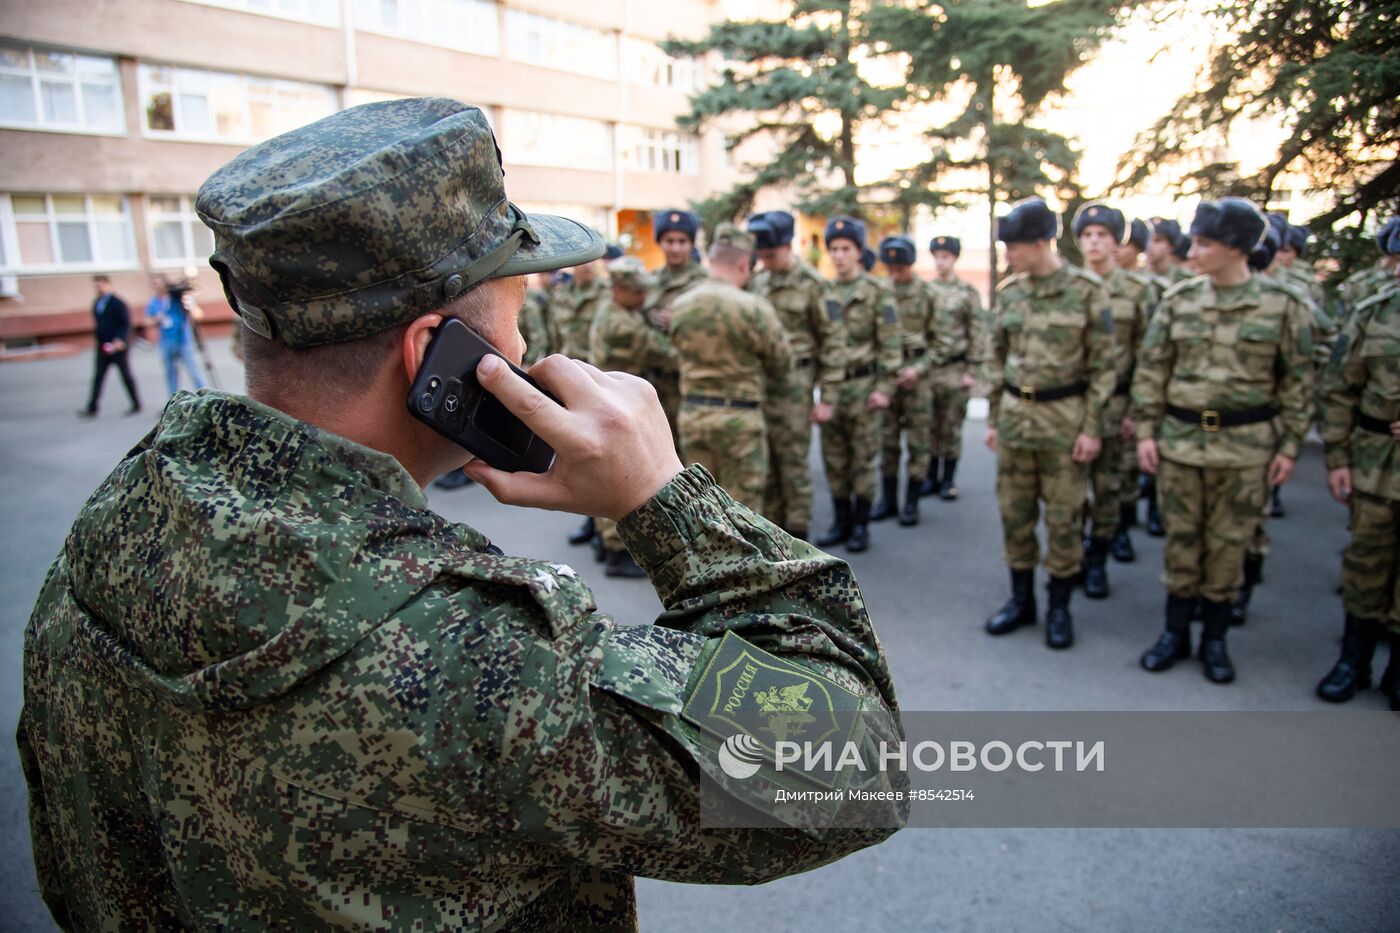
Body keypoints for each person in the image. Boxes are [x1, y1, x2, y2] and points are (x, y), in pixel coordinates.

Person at [19, 97, 904, 930]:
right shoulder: (479, 656)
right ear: (432, 358)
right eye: (517, 324)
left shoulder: (111, 534)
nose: (526, 352)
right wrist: (662, 495)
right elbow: (857, 763)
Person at [1133, 198, 1314, 683]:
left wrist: (1291, 445)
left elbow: (1297, 382)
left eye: (1206, 243)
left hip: (1245, 450)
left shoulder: (1282, 307)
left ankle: (1214, 639)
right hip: (1181, 444)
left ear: (1236, 249)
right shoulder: (1179, 301)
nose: (1194, 250)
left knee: (1229, 546)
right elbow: (1152, 372)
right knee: (1181, 543)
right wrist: (1146, 432)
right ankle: (1175, 633)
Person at [983, 198, 1114, 650]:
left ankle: (1059, 607)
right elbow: (997, 357)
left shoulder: (1087, 291)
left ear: (1041, 242)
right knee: (1015, 516)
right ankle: (1022, 602)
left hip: (1065, 425)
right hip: (1018, 422)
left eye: (1014, 246)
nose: (1009, 255)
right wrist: (995, 418)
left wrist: (1092, 429)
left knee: (1063, 519)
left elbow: (1104, 369)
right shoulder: (1011, 292)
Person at [1317, 226, 1400, 710]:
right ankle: (1354, 662)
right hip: (1374, 463)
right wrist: (1338, 459)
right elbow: (1340, 389)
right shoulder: (1375, 313)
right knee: (1366, 562)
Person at [670, 224, 793, 512]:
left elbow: (675, 354)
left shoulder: (680, 305)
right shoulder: (753, 307)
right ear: (742, 264)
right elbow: (782, 364)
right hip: (740, 419)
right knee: (743, 512)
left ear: (712, 261)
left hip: (694, 416)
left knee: (701, 510)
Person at [1071, 202, 1153, 598]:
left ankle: (1099, 557)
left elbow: (1147, 357)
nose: (1094, 242)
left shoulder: (1138, 292)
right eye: (1087, 235)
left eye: (1102, 235)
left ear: (1116, 242)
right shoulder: (1066, 287)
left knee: (1108, 486)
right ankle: (1072, 556)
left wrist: (1137, 411)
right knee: (1069, 489)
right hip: (1070, 406)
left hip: (1118, 404)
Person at [748, 210, 844, 540]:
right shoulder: (758, 281)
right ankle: (775, 536)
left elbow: (833, 341)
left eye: (771, 255)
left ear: (788, 246)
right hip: (760, 385)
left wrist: (827, 397)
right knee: (767, 466)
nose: (765, 261)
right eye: (760, 255)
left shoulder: (813, 284)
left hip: (795, 387)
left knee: (793, 465)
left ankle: (799, 537)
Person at [815, 216, 901, 553]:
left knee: (863, 460)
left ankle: (861, 525)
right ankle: (841, 521)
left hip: (865, 388)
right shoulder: (823, 291)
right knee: (834, 459)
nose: (838, 256)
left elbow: (891, 345)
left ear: (859, 251)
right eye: (833, 249)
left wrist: (885, 388)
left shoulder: (878, 292)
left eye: (845, 249)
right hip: (833, 390)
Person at [589, 256, 676, 577]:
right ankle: (616, 552)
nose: (644, 298)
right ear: (621, 289)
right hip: (618, 405)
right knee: (620, 474)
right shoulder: (622, 325)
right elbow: (666, 355)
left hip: (612, 398)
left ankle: (604, 542)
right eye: (638, 292)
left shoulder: (617, 310)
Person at [870, 235, 935, 526]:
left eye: (901, 269)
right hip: (887, 375)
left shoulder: (928, 293)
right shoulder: (879, 292)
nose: (895, 275)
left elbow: (942, 341)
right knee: (888, 440)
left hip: (917, 376)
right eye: (890, 269)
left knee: (918, 441)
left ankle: (911, 502)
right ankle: (888, 499)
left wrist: (918, 369)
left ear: (911, 265)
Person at [922, 235, 986, 500]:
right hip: (930, 370)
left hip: (956, 370)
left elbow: (978, 332)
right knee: (929, 426)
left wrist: (971, 371)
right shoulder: (926, 291)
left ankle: (948, 480)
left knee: (951, 427)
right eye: (936, 256)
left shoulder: (966, 292)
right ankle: (930, 477)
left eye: (945, 256)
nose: (940, 261)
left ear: (954, 258)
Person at [647, 209, 708, 438]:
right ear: (660, 243)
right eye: (669, 241)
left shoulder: (704, 281)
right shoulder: (650, 280)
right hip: (657, 381)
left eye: (682, 241)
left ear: (691, 244)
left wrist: (682, 319)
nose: (675, 248)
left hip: (691, 381)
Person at [78, 275, 142, 417]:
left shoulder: (117, 302)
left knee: (125, 375)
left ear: (107, 284)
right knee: (98, 376)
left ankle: (136, 403)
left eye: (99, 285)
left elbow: (125, 323)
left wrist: (120, 340)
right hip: (102, 346)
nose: (97, 288)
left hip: (117, 346)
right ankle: (92, 407)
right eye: (95, 286)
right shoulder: (97, 303)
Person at [150, 274, 210, 397]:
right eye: (154, 284)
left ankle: (206, 396)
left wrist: (189, 306)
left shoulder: (182, 298)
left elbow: (198, 315)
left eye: (159, 283)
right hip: (166, 342)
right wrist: (157, 318)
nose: (157, 287)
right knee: (171, 373)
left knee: (194, 371)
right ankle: (172, 400)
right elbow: (147, 320)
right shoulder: (154, 302)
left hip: (184, 341)